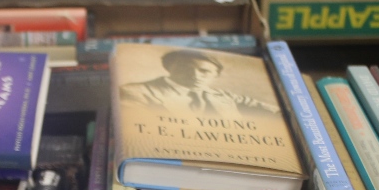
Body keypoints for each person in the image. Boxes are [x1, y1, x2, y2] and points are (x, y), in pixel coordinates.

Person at [119, 49, 280, 117]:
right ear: (168, 68)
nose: (195, 76)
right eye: (185, 68)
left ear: (215, 75)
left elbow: (274, 112)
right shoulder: (135, 91)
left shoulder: (223, 96)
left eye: (205, 72)